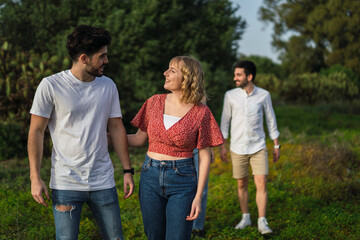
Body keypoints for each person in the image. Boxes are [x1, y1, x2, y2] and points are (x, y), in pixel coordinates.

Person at [28, 25, 135, 240]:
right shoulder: (51, 85)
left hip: (103, 181)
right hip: (65, 182)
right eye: (102, 56)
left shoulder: (108, 86)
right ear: (84, 58)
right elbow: (36, 131)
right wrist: (35, 177)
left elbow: (116, 128)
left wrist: (127, 170)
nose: (106, 61)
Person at [127, 56, 224, 240]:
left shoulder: (201, 112)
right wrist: (106, 137)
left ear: (187, 77)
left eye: (172, 70)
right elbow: (139, 139)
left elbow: (204, 158)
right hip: (150, 177)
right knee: (153, 236)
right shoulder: (153, 102)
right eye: (167, 69)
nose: (165, 73)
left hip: (183, 181)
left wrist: (198, 197)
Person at [220, 60, 280, 234]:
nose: (235, 78)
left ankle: (262, 221)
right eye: (235, 74)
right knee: (241, 183)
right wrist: (222, 146)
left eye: (239, 75)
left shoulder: (264, 95)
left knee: (261, 182)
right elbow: (225, 122)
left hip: (258, 146)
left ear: (249, 76)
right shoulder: (230, 95)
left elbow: (271, 120)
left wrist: (276, 144)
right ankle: (245, 217)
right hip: (237, 147)